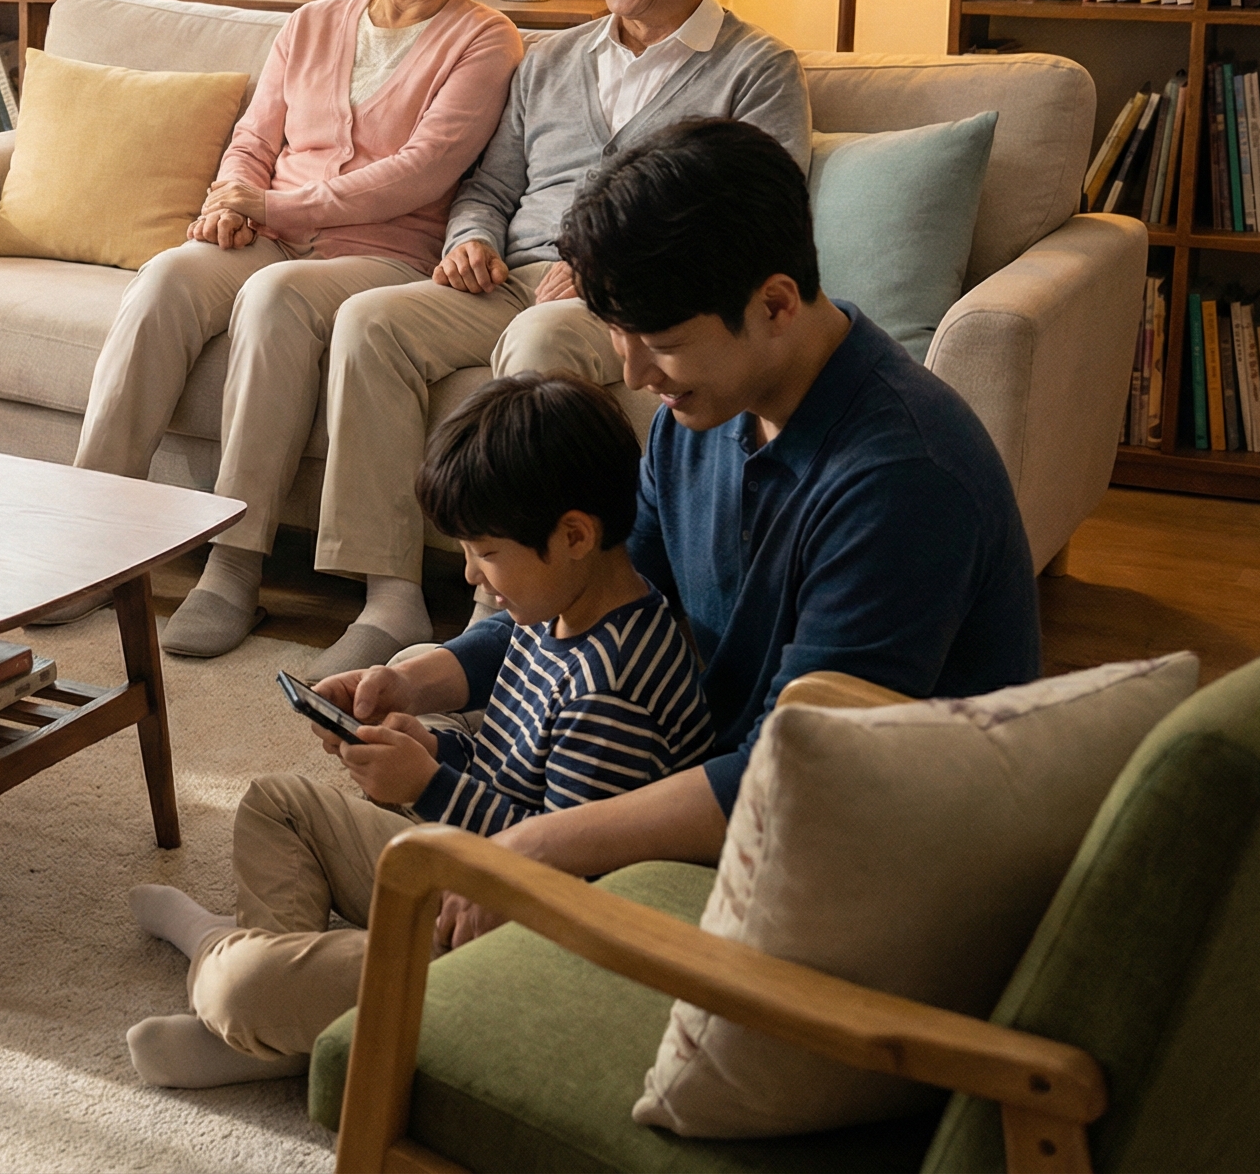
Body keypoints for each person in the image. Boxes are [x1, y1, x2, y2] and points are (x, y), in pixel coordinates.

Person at [321, 118, 1040, 950]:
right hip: (721, 798)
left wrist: (534, 846)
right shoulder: (699, 418)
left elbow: (792, 780)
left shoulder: (902, 481)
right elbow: (602, 597)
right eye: (619, 334)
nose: (631, 373)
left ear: (774, 304)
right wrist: (425, 681)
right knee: (377, 854)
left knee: (435, 900)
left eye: (660, 343)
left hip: (849, 871)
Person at [122, 372, 713, 1088]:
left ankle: (217, 955)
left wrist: (429, 786)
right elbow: (509, 766)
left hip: (515, 932)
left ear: (575, 536)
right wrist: (432, 747)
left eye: (487, 552)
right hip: (465, 867)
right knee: (276, 802)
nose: (473, 576)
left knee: (237, 987)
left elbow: (557, 866)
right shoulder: (555, 612)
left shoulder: (613, 688)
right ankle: (288, 1028)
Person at [315, 0, 810, 663]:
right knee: (372, 321)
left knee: (541, 337)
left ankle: (498, 622)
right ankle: (389, 597)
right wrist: (471, 237)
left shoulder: (756, 68)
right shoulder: (551, 60)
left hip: (635, 300)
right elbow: (490, 186)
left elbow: (756, 218)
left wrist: (608, 263)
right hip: (512, 275)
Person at [71, 0, 524, 658]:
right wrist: (228, 199)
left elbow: (422, 171)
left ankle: (232, 565)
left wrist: (271, 209)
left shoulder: (484, 39)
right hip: (269, 231)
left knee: (276, 295)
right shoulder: (315, 23)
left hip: (384, 253)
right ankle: (91, 533)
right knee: (170, 274)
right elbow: (255, 134)